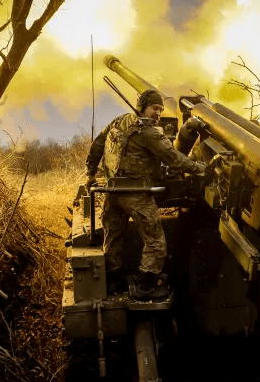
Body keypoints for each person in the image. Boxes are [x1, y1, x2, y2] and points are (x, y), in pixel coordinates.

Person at [85, 89, 205, 299]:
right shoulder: (149, 133)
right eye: (154, 108)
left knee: (113, 236)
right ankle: (146, 283)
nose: (158, 114)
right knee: (155, 241)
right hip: (136, 193)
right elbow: (173, 158)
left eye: (160, 109)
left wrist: (91, 173)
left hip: (112, 191)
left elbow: (98, 144)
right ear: (142, 106)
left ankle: (114, 279)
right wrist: (200, 168)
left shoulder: (119, 121)